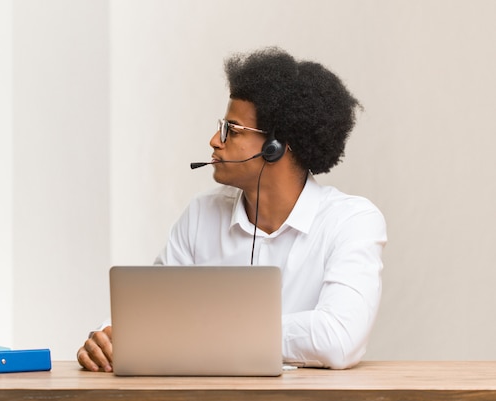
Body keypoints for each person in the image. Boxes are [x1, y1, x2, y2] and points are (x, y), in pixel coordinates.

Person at [77, 47, 387, 371]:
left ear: (275, 148)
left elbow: (338, 339)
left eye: (232, 130)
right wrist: (109, 338)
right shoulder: (201, 214)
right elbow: (150, 313)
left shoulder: (352, 222)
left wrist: (199, 334)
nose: (214, 140)